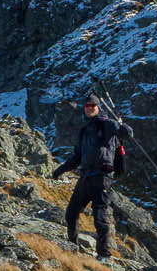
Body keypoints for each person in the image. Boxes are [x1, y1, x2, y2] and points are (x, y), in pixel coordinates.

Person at [50, 92, 133, 259]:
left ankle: (104, 255)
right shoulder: (84, 129)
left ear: (98, 107)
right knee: (71, 213)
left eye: (92, 106)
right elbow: (77, 157)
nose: (89, 108)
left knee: (100, 217)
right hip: (86, 177)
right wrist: (60, 170)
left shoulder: (108, 124)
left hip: (101, 177)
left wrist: (125, 128)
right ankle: (72, 247)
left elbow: (127, 134)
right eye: (87, 106)